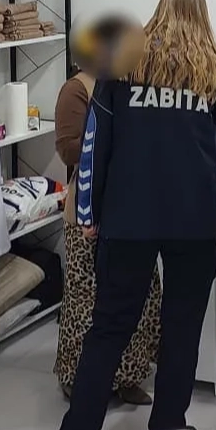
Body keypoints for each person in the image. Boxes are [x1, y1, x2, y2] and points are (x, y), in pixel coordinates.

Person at [54, 0, 216, 430]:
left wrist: (88, 211)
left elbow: (94, 143)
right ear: (203, 20)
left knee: (108, 329)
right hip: (193, 221)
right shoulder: (212, 70)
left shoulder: (123, 67)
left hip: (128, 218)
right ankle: (169, 429)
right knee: (181, 328)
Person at [53, 65, 161, 406]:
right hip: (89, 212)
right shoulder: (78, 89)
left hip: (130, 211)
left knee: (139, 298)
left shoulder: (134, 82)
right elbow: (68, 149)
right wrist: (109, 137)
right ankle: (77, 378)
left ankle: (128, 376)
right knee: (86, 302)